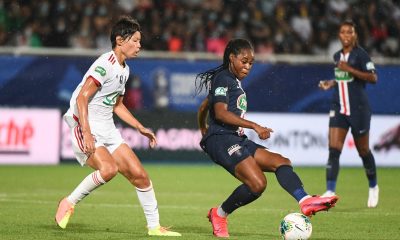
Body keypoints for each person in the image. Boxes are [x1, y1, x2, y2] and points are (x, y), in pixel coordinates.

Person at [196, 38, 339, 238]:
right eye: (243, 61)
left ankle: (305, 200)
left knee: (281, 162)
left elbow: (205, 105)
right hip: (221, 139)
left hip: (235, 137)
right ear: (231, 57)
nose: (247, 67)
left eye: (251, 63)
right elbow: (220, 113)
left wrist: (202, 126)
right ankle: (218, 215)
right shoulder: (223, 78)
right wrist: (253, 126)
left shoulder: (231, 81)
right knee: (258, 184)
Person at [55, 16, 181, 237]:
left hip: (108, 129)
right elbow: (82, 99)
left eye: (140, 41)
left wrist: (139, 127)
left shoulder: (124, 70)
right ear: (120, 40)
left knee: (140, 175)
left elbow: (117, 106)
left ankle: (154, 227)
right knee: (109, 169)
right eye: (135, 40)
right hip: (84, 126)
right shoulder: (106, 64)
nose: (139, 45)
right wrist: (86, 132)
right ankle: (68, 202)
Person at [318, 20, 379, 208]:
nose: (346, 35)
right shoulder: (337, 56)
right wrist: (331, 83)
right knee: (334, 149)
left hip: (358, 109)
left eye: (349, 32)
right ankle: (329, 190)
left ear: (354, 35)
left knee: (363, 151)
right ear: (339, 35)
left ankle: (373, 186)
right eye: (343, 32)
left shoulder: (361, 55)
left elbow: (373, 77)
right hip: (339, 108)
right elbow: (342, 79)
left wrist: (350, 69)